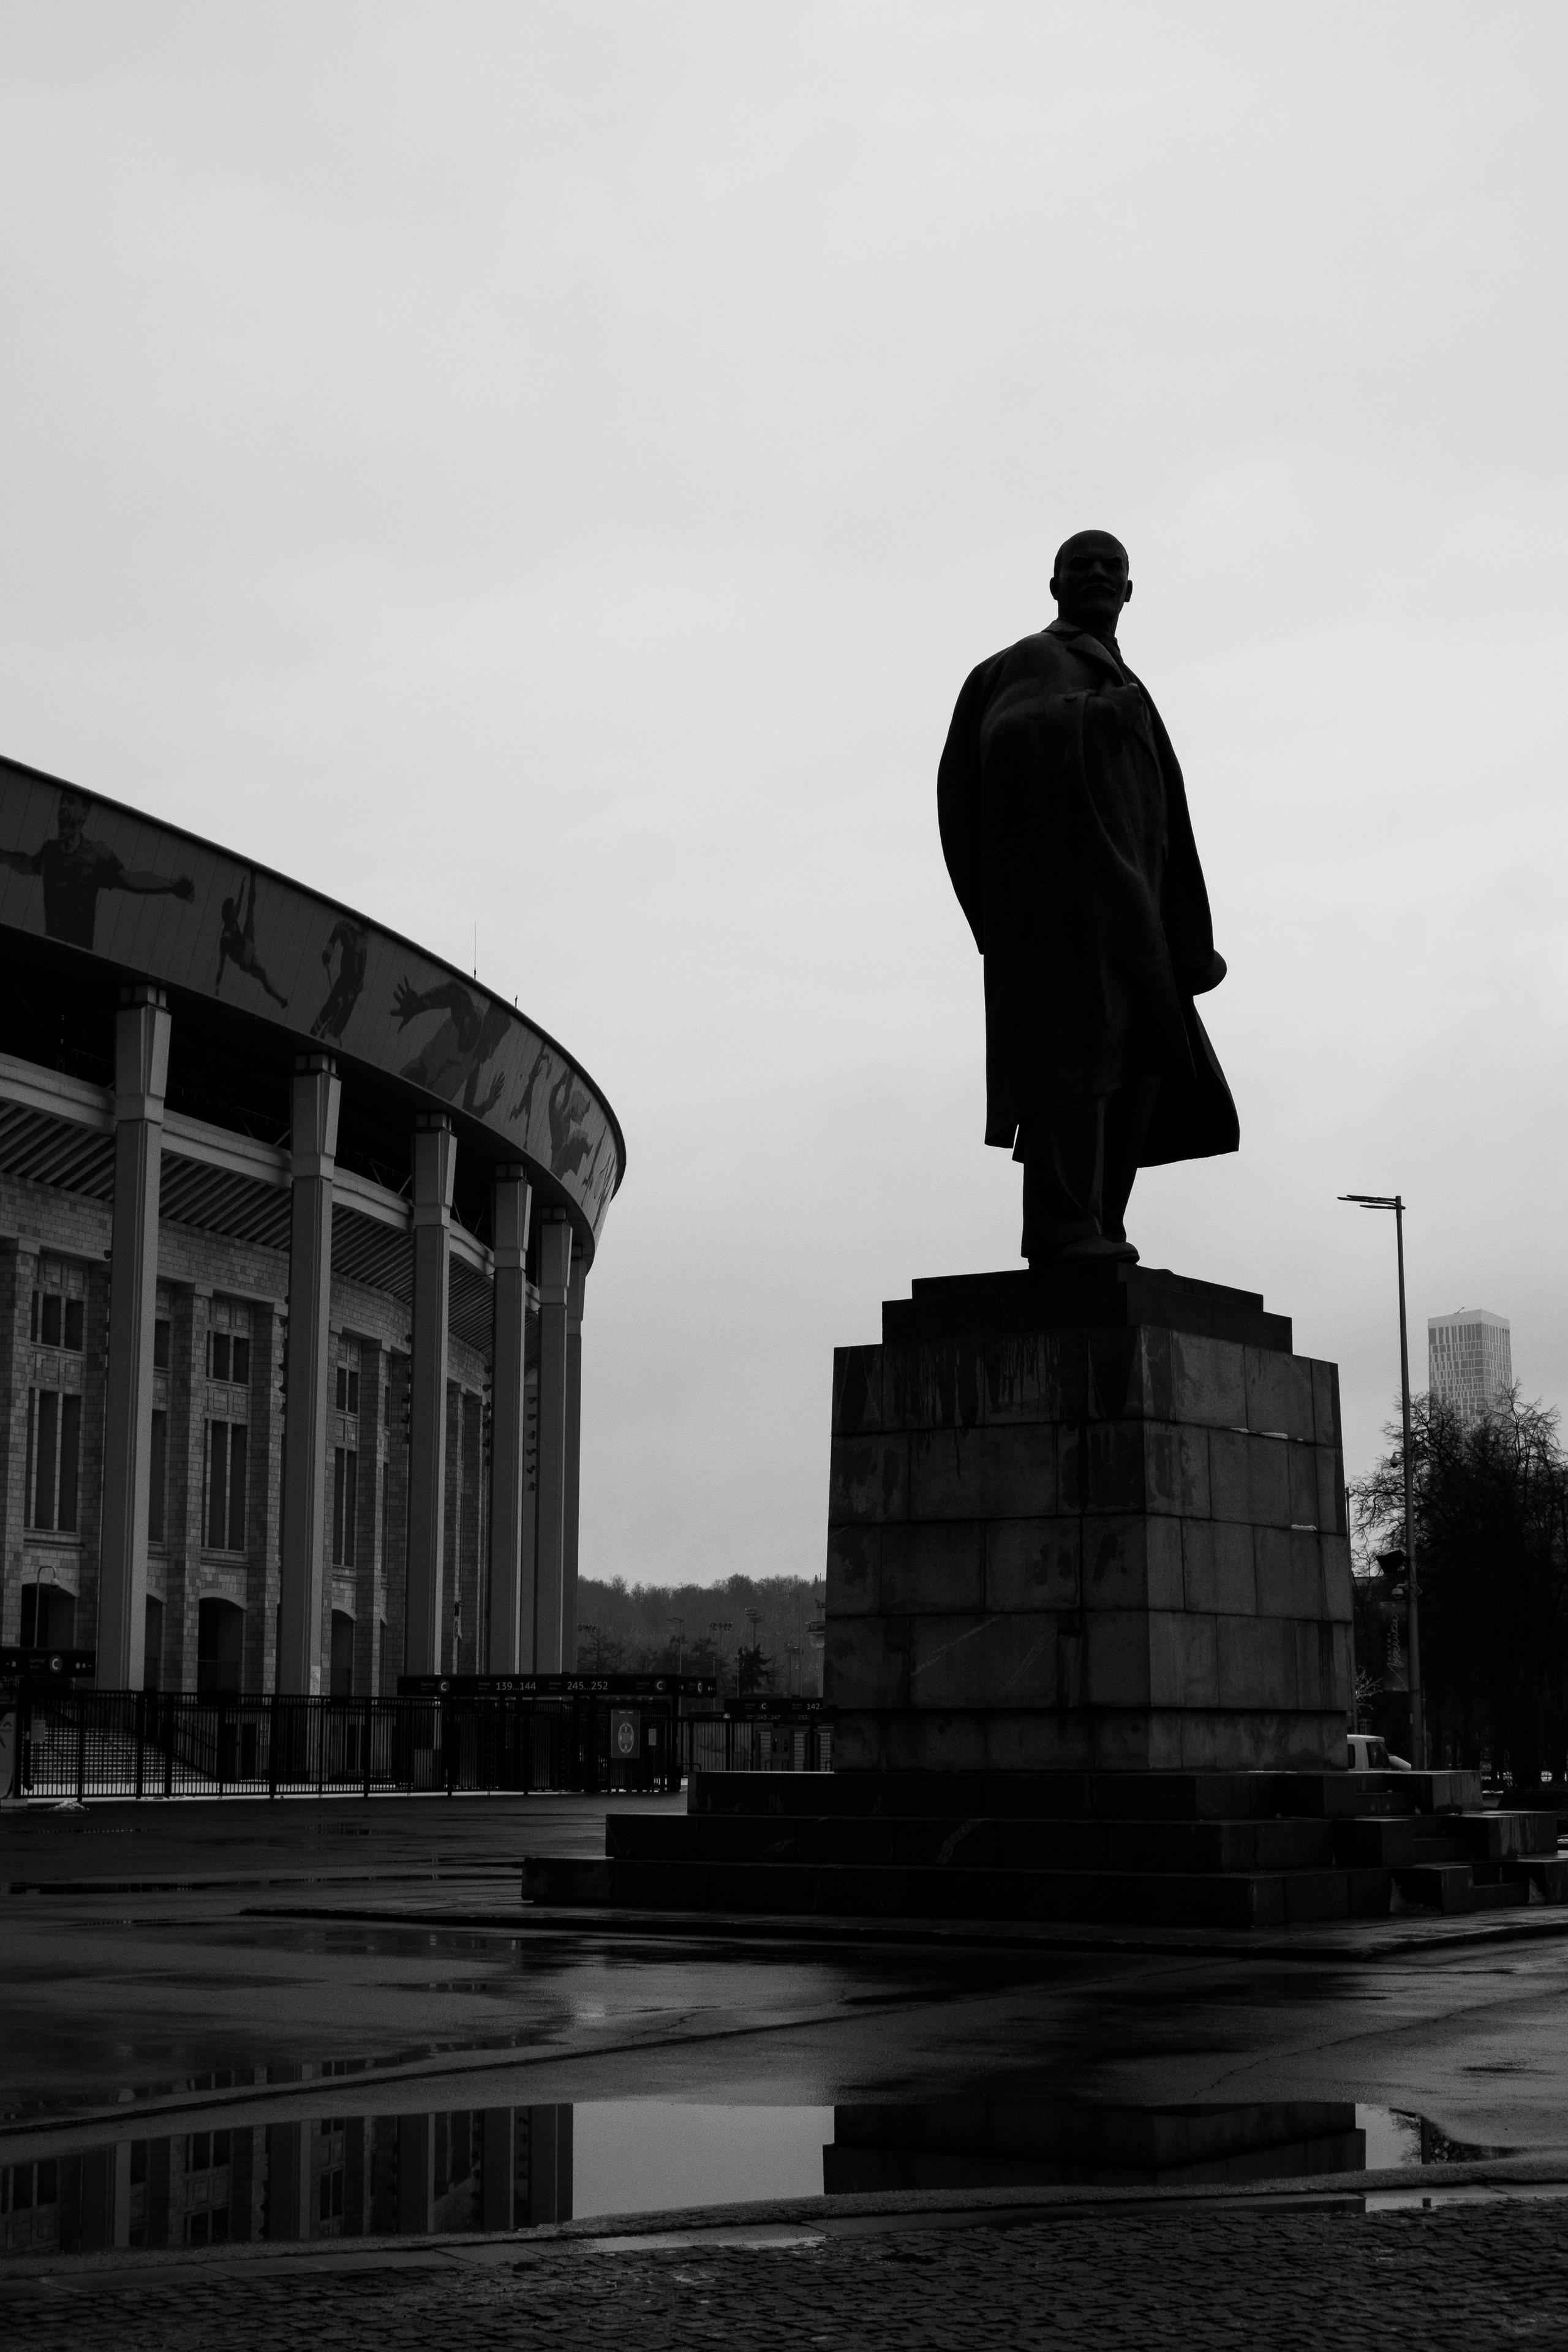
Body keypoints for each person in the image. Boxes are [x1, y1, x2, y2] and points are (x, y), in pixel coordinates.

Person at [937, 531, 1237, 1267]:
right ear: (1055, 586)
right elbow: (1004, 739)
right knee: (1077, 1062)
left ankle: (1098, 1222)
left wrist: (1181, 929)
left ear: (1130, 590)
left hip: (1131, 910)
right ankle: (1061, 1227)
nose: (1099, 576)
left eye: (1113, 568)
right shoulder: (1043, 658)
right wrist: (1097, 717)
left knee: (1136, 1067)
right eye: (1083, 566)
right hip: (1069, 909)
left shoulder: (1113, 673)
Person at [0, 788, 194, 950]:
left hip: (81, 956)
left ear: (84, 813)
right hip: (52, 950)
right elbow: (24, 864)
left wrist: (171, 885)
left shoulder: (96, 854)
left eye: (70, 802)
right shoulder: (50, 851)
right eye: (62, 803)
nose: (63, 808)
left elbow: (131, 880)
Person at [216, 870, 288, 1008]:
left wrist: (244, 887)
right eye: (232, 910)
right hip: (245, 959)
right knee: (263, 975)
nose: (235, 911)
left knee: (251, 909)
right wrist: (217, 987)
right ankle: (280, 999)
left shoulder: (233, 921)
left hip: (247, 942)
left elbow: (242, 904)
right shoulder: (225, 938)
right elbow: (221, 965)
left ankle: (254, 876)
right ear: (227, 914)